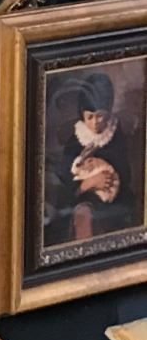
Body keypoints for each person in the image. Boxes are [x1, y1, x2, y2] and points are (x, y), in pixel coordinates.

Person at [45, 70, 140, 246]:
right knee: (83, 214)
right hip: (81, 195)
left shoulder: (114, 134)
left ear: (108, 112)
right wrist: (88, 183)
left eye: (100, 115)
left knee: (121, 215)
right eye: (90, 116)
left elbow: (125, 171)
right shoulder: (77, 138)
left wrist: (109, 178)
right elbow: (65, 176)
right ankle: (85, 252)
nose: (95, 122)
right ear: (82, 114)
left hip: (114, 196)